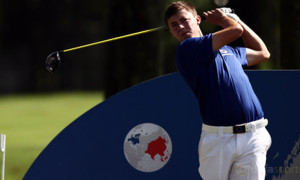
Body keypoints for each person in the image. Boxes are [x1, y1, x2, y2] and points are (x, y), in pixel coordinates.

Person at [164, 1, 271, 180]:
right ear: (171, 32)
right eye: (174, 25)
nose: (181, 27)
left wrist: (236, 20)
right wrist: (225, 20)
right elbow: (235, 31)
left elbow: (263, 53)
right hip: (218, 140)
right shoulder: (187, 50)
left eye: (184, 20)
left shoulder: (229, 50)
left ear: (198, 19)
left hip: (253, 135)